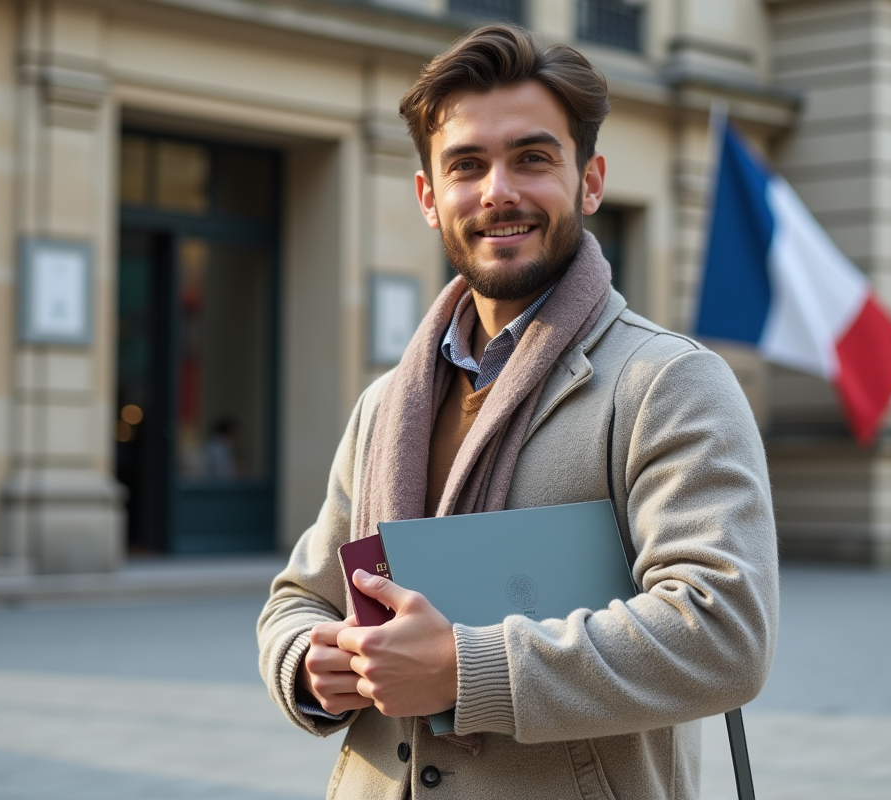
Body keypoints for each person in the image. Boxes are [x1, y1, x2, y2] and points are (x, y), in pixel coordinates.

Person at [258, 24, 778, 800]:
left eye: (532, 158)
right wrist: (308, 660)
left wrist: (465, 668)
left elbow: (723, 633)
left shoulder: (668, 383)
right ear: (431, 197)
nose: (497, 190)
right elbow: (300, 596)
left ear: (590, 181)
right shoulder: (386, 404)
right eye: (466, 165)